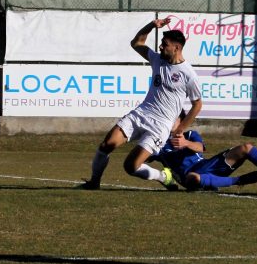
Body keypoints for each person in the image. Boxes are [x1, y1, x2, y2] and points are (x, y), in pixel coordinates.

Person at [78, 17, 202, 190]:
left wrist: (180, 129)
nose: (160, 47)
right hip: (141, 114)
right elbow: (136, 42)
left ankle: (163, 176)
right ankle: (94, 182)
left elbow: (197, 104)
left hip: (160, 126)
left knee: (130, 166)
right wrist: (152, 25)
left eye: (164, 44)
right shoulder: (157, 59)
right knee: (106, 145)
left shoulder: (188, 74)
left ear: (177, 47)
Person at [149, 114, 257, 191]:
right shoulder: (160, 145)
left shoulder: (190, 135)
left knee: (246, 148)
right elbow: (141, 158)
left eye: (173, 118)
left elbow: (200, 147)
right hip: (188, 176)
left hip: (206, 165)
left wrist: (185, 143)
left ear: (182, 121)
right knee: (193, 178)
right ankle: (239, 180)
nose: (169, 121)